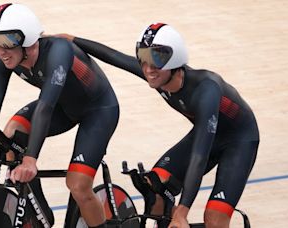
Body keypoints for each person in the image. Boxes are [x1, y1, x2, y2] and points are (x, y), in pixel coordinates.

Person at [56, 23, 259, 228]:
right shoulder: (158, 73)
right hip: (207, 133)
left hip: (239, 141)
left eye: (156, 61)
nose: (148, 69)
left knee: (215, 219)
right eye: (143, 60)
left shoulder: (207, 91)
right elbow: (115, 57)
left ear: (176, 60)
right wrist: (73, 39)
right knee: (156, 186)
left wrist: (182, 211)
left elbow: (200, 157)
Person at [0, 3, 120, 227]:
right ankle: (39, 213)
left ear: (28, 39)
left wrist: (31, 160)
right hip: (63, 107)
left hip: (98, 111)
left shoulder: (59, 50)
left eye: (5, 41)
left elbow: (45, 107)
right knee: (11, 135)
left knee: (78, 186)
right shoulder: (6, 56)